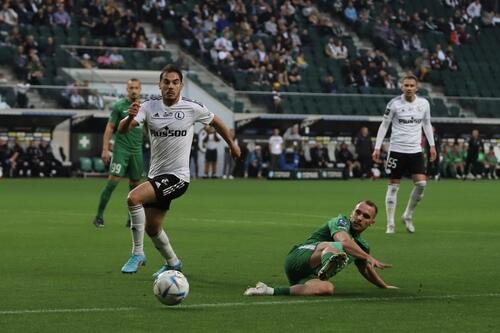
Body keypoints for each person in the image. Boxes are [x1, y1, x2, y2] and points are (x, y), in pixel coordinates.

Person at [118, 65, 240, 275]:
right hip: (156, 175)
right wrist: (130, 117)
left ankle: (137, 253)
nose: (171, 86)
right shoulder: (148, 107)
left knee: (133, 198)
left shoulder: (192, 108)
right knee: (152, 228)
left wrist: (232, 144)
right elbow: (122, 130)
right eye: (166, 82)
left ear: (181, 85)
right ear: (160, 85)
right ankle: (173, 262)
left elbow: (217, 122)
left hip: (177, 178)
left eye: (175, 82)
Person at [244, 200, 396, 296]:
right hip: (299, 257)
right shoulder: (341, 221)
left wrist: (384, 286)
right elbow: (343, 241)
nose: (360, 217)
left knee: (327, 288)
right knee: (337, 246)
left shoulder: (362, 247)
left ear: (371, 223)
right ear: (352, 213)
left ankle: (268, 290)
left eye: (366, 216)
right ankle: (328, 260)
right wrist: (368, 256)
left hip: (307, 275)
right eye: (358, 212)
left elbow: (366, 269)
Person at [372, 74, 436, 234]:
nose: (408, 88)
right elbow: (384, 125)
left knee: (421, 184)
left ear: (416, 88)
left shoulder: (424, 104)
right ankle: (390, 224)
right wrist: (377, 147)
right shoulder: (394, 104)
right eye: (406, 85)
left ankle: (408, 215)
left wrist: (432, 145)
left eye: (411, 86)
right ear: (402, 87)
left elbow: (427, 124)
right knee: (393, 187)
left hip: (415, 150)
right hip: (396, 150)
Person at [92, 78, 144, 228]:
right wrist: (105, 149)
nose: (134, 90)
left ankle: (131, 219)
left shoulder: (145, 107)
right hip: (121, 150)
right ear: (127, 90)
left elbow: (148, 129)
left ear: (140, 90)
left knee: (135, 186)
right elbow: (109, 128)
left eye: (136, 88)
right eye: (131, 88)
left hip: (137, 151)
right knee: (112, 183)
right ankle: (99, 216)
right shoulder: (119, 106)